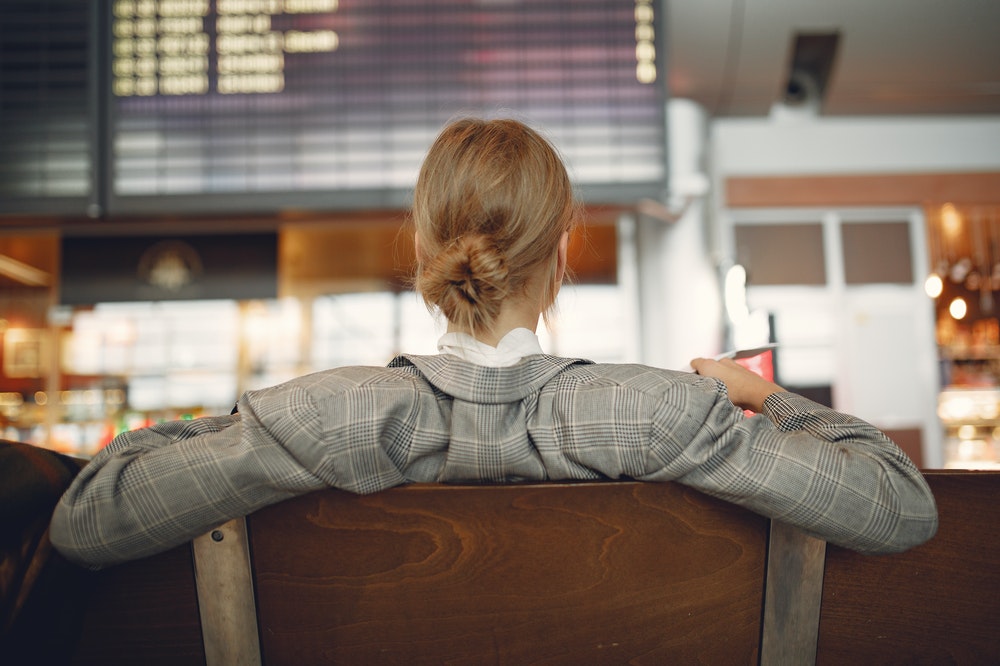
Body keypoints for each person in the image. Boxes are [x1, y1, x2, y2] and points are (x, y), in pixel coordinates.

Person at [49, 118, 938, 568]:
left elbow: (89, 520)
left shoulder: (321, 416)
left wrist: (228, 425)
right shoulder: (662, 413)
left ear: (429, 253)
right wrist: (762, 397)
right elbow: (900, 506)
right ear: (560, 258)